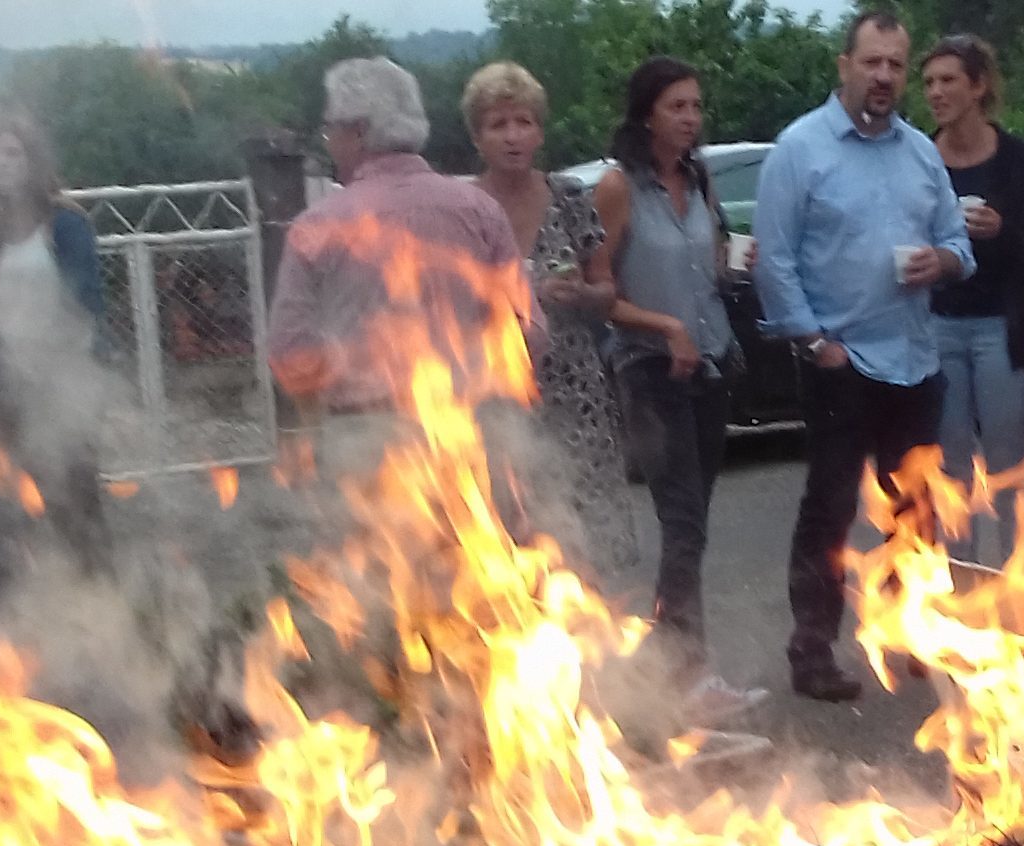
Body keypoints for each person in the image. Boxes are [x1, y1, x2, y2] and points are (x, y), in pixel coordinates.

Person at [752, 11, 975, 703]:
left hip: (914, 358)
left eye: (895, 66)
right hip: (841, 363)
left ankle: (909, 632)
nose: (884, 77)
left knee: (916, 508)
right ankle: (811, 648)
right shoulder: (800, 149)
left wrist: (942, 259)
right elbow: (775, 260)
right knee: (828, 509)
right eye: (872, 63)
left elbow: (958, 248)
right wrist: (817, 344)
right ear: (844, 66)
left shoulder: (919, 153)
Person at [597, 55, 765, 725]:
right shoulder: (616, 189)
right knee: (684, 524)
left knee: (691, 527)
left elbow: (710, 267)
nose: (691, 118)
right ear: (647, 115)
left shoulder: (697, 180)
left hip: (712, 368)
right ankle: (683, 675)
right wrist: (665, 325)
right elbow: (599, 291)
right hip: (650, 372)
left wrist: (732, 261)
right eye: (678, 107)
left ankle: (664, 666)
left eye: (697, 106)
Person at [268, 58, 540, 420]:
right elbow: (529, 330)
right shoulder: (480, 210)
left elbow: (291, 352)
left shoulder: (317, 227)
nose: (329, 142)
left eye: (331, 131)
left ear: (358, 132)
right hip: (471, 428)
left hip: (365, 437)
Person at [463, 62, 640, 585]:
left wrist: (581, 293)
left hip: (574, 391)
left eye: (523, 122)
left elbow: (608, 289)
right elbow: (443, 301)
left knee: (584, 542)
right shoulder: (466, 206)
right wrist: (510, 298)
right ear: (477, 136)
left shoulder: (567, 196)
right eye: (498, 124)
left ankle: (596, 657)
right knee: (511, 533)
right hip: (496, 391)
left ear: (540, 130)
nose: (513, 136)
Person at [921, 34, 1024, 567]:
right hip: (936, 323)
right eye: (928, 82)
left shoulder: (1018, 160)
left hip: (1001, 327)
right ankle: (963, 589)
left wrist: (1001, 230)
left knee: (1006, 463)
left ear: (978, 87)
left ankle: (1016, 585)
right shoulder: (919, 158)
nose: (935, 92)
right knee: (950, 466)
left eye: (948, 80)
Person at [0, 110, 112, 565]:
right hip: (7, 386)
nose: (2, 163)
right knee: (21, 502)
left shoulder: (65, 224)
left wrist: (53, 360)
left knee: (75, 496)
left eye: (13, 152)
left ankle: (96, 590)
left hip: (61, 383)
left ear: (33, 161)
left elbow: (86, 303)